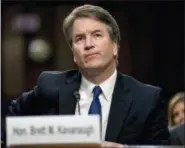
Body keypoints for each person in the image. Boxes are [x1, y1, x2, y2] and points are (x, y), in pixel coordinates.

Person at [2, 4, 170, 147]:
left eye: (97, 35)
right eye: (80, 39)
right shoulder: (50, 86)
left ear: (115, 47)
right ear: (74, 54)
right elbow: (10, 124)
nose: (88, 45)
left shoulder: (146, 98)